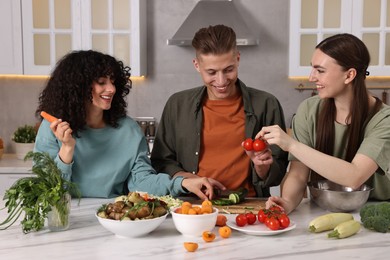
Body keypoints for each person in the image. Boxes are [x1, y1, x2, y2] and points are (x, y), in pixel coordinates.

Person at [34, 50, 215, 199]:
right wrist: (66, 149)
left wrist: (183, 183)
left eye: (113, 82)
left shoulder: (129, 130)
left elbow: (142, 183)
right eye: (101, 82)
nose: (111, 89)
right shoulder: (53, 129)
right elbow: (48, 191)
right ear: (78, 86)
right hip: (68, 221)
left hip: (114, 217)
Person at [151, 25, 288, 197]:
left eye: (228, 70)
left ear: (238, 59)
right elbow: (161, 161)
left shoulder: (267, 104)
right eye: (211, 72)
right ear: (196, 65)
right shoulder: (177, 104)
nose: (221, 81)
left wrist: (262, 167)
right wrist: (188, 179)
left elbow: (279, 170)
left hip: (249, 208)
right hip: (192, 206)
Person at [260, 33, 390, 214]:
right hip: (322, 207)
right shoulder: (309, 110)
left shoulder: (384, 120)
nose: (311, 77)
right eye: (312, 69)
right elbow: (298, 173)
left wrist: (291, 145)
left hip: (376, 211)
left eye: (320, 70)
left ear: (349, 75)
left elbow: (354, 176)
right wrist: (287, 202)